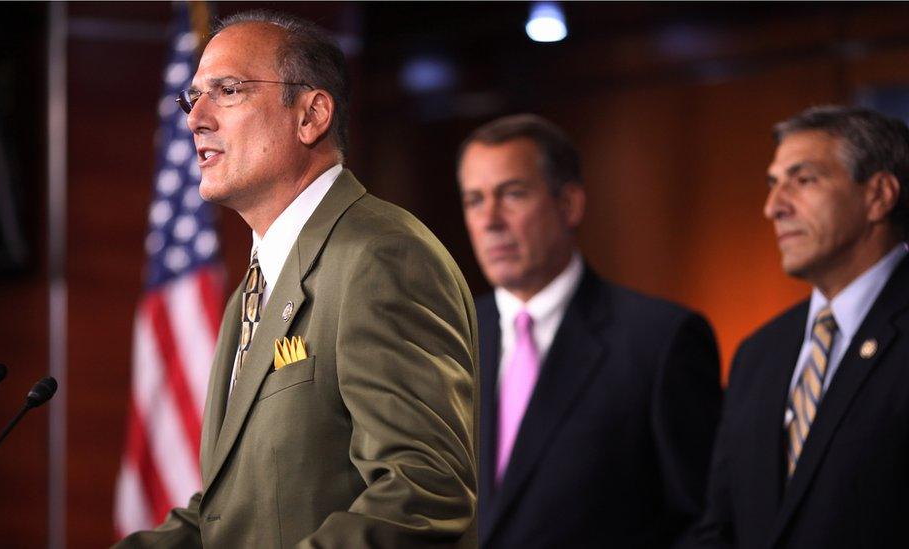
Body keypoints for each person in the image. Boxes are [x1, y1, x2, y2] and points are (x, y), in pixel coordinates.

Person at [117, 10, 478, 548]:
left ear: (311, 115)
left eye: (228, 90)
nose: (196, 118)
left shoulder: (380, 257)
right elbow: (226, 514)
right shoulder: (252, 288)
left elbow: (424, 491)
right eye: (193, 97)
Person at [457, 113, 722, 548]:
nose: (490, 220)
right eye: (474, 200)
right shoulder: (446, 338)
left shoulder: (661, 341)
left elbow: (704, 523)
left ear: (570, 204)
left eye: (513, 194)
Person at [693, 105, 909, 548]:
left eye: (804, 179)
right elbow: (720, 523)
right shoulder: (759, 353)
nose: (773, 207)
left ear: (879, 196)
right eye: (773, 184)